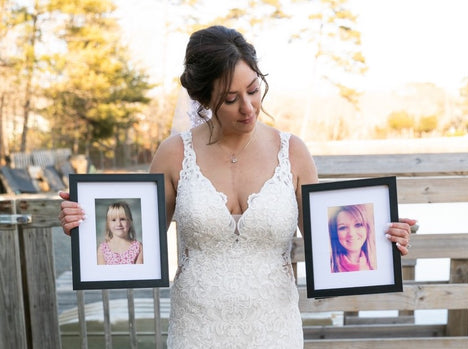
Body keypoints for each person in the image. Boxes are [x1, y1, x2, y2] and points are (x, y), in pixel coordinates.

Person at [58, 25, 415, 348]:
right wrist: (85, 223)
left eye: (254, 90)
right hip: (197, 330)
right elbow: (138, 241)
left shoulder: (294, 152)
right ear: (203, 100)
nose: (248, 108)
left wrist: (383, 237)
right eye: (230, 99)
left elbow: (329, 242)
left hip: (274, 329)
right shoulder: (173, 153)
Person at [329, 204, 376, 273]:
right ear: (335, 233)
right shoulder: (329, 269)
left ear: (367, 228)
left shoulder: (377, 263)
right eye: (343, 227)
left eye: (358, 225)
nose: (351, 234)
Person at [97, 201, 144, 265]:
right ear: (108, 224)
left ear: (130, 222)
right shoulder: (102, 249)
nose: (118, 224)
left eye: (122, 219)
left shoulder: (138, 247)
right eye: (113, 220)